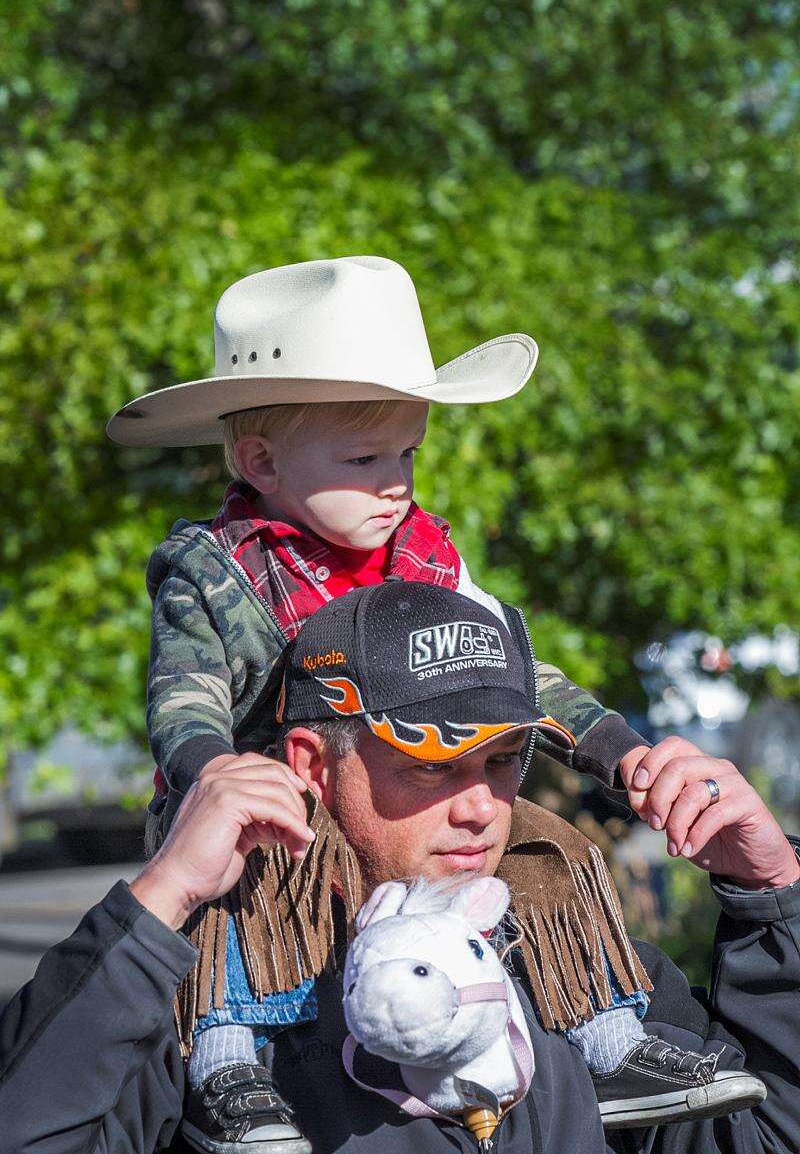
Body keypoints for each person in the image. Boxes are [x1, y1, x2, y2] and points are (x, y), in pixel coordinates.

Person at [106, 255, 764, 1151]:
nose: (397, 481)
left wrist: (614, 747)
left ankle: (616, 1040)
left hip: (389, 804)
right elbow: (184, 697)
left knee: (549, 850)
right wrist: (209, 770)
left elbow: (520, 678)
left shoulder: (424, 560)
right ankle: (229, 1068)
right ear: (260, 459)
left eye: (408, 453)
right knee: (239, 894)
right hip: (267, 802)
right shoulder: (216, 572)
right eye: (365, 458)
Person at [1, 581, 798, 1154]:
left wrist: (773, 896)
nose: (482, 808)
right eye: (431, 766)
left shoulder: (574, 969)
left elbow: (769, 1134)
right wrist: (164, 895)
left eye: (501, 763)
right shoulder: (207, 1005)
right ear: (313, 765)